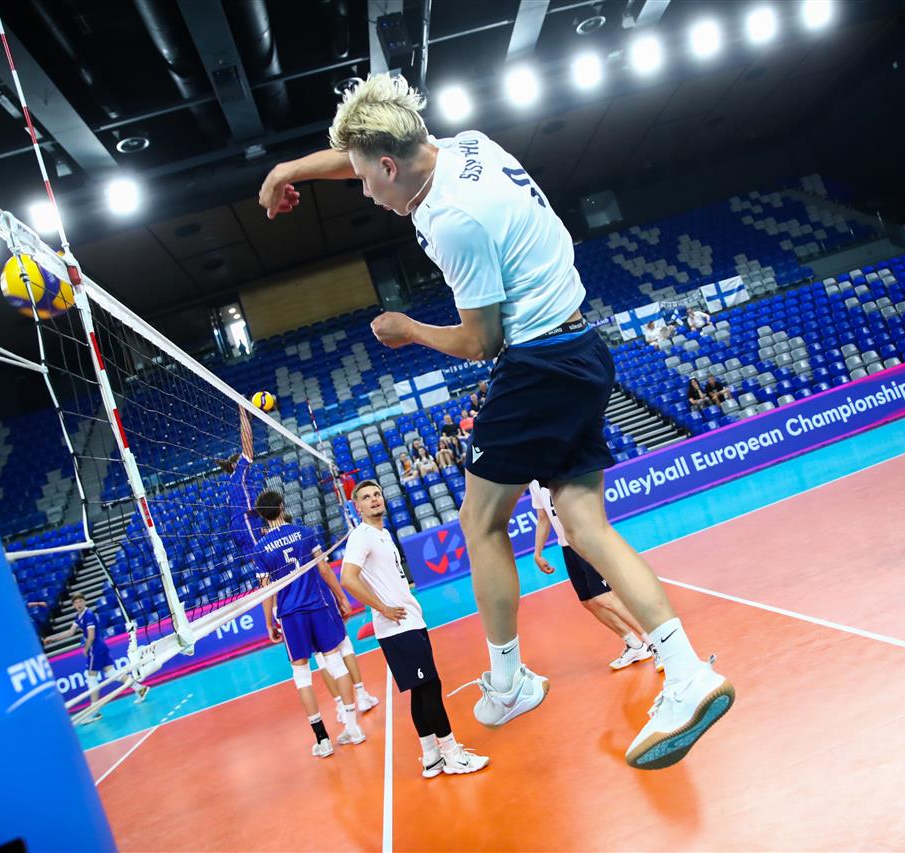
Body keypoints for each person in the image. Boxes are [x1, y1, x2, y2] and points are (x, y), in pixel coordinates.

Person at [259, 74, 733, 770]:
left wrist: (407, 329)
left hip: (537, 363)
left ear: (388, 166)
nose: (361, 190)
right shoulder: (463, 146)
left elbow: (481, 343)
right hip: (582, 347)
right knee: (585, 525)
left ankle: (510, 683)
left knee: (478, 522)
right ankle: (687, 670)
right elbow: (364, 149)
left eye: (364, 179)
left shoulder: (455, 220)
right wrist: (288, 170)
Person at [222, 406, 379, 715]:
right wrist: (243, 411)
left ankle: (339, 707)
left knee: (315, 659)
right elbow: (247, 449)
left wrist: (269, 621)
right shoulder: (243, 482)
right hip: (308, 586)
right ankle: (357, 699)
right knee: (338, 647)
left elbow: (261, 579)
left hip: (281, 591)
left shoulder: (236, 511)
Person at [340, 480, 489, 777]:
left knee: (420, 692)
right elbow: (348, 579)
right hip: (397, 625)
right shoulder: (361, 536)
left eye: (377, 494)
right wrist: (382, 608)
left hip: (409, 621)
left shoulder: (383, 534)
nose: (374, 499)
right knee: (431, 688)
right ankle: (452, 754)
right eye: (366, 497)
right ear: (357, 507)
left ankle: (431, 757)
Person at [252, 487, 367, 756]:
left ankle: (322, 740)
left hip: (291, 614)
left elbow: (266, 590)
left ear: (263, 517)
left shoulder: (260, 549)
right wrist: (341, 597)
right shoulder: (304, 532)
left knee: (302, 675)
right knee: (335, 662)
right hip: (318, 605)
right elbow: (324, 569)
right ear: (282, 507)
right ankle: (353, 728)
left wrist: (268, 623)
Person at [530, 480, 655, 671]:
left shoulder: (561, 471)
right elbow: (543, 517)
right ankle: (635, 645)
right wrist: (537, 553)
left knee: (605, 597)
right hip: (567, 546)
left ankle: (655, 643)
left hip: (586, 540)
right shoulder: (534, 482)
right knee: (589, 601)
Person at [46, 593, 149, 723]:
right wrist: (52, 638)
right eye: (76, 602)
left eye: (80, 601)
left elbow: (91, 636)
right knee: (112, 673)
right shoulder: (79, 616)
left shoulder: (88, 615)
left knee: (91, 678)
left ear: (84, 602)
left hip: (95, 649)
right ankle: (139, 688)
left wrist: (86, 648)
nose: (78, 604)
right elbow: (70, 632)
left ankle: (95, 712)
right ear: (73, 605)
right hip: (100, 647)